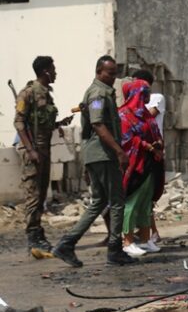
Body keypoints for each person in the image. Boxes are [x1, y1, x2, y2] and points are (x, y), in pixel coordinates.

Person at [52, 55, 136, 267]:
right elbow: (98, 125)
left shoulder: (100, 92)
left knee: (99, 202)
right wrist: (119, 152)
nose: (113, 77)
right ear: (99, 72)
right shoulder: (98, 93)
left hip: (97, 154)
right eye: (110, 73)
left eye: (115, 73)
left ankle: (67, 244)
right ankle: (115, 249)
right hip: (103, 153)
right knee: (116, 201)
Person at [14, 56, 70, 255]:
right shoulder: (28, 93)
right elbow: (19, 123)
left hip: (44, 150)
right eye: (53, 69)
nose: (55, 73)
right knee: (33, 195)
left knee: (41, 194)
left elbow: (42, 122)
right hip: (33, 152)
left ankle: (39, 234)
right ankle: (33, 238)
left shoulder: (46, 94)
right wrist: (30, 150)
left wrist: (58, 124)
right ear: (46, 71)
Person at [118, 79, 164, 256]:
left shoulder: (145, 114)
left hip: (150, 164)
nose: (147, 96)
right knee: (132, 203)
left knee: (146, 203)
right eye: (144, 92)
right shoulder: (124, 114)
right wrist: (147, 146)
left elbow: (155, 130)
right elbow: (127, 139)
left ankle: (145, 240)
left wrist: (158, 143)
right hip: (136, 165)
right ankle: (128, 241)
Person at [134, 69, 165, 242]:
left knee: (149, 193)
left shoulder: (157, 98)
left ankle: (152, 232)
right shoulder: (134, 102)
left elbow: (147, 116)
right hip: (141, 151)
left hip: (155, 150)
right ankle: (149, 231)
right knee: (141, 193)